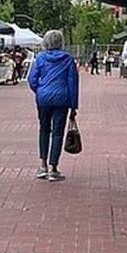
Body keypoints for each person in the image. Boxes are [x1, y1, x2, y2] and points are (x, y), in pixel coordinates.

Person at [27, 29, 80, 181]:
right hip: (62, 99)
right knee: (57, 132)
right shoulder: (68, 59)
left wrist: (39, 90)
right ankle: (53, 167)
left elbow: (32, 79)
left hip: (43, 98)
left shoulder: (41, 58)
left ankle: (43, 165)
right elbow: (73, 83)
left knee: (44, 129)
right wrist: (74, 106)